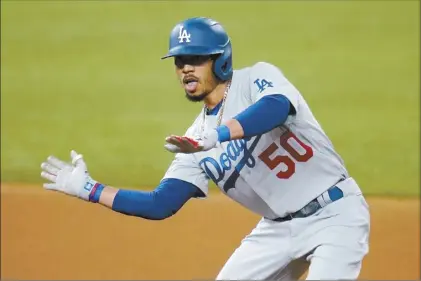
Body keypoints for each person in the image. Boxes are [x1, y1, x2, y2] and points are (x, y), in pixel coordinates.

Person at [40, 17, 370, 280]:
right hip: (277, 230)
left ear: (220, 60)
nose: (186, 68)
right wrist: (89, 189)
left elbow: (277, 107)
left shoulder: (256, 79)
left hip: (335, 214)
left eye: (196, 59)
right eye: (180, 60)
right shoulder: (192, 141)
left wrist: (219, 136)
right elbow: (161, 204)